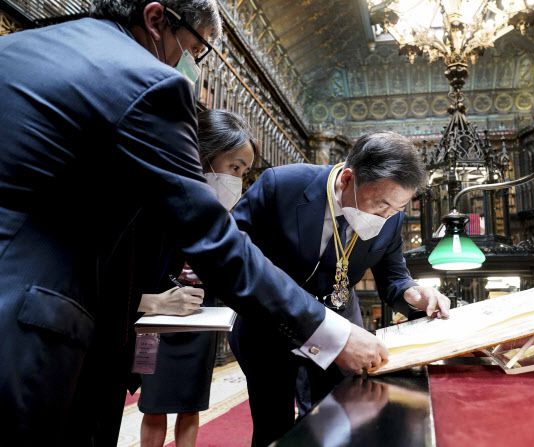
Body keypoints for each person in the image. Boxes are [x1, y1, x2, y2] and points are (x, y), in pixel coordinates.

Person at [0, 1, 386, 444]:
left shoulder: (16, 49)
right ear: (156, 19)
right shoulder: (149, 82)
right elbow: (214, 240)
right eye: (197, 50)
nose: (192, 66)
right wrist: (331, 334)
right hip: (29, 334)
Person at [230, 131, 451, 446]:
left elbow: (393, 276)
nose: (387, 216)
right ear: (348, 179)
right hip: (270, 325)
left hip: (342, 330)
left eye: (398, 208)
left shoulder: (390, 218)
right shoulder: (281, 185)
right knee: (273, 426)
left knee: (342, 421)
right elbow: (233, 256)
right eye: (381, 205)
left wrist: (413, 293)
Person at [137, 110, 258, 447]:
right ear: (206, 155)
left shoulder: (222, 214)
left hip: (203, 315)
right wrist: (154, 301)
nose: (238, 180)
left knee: (192, 403)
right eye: (234, 167)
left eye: (244, 173)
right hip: (157, 320)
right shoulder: (156, 203)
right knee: (153, 404)